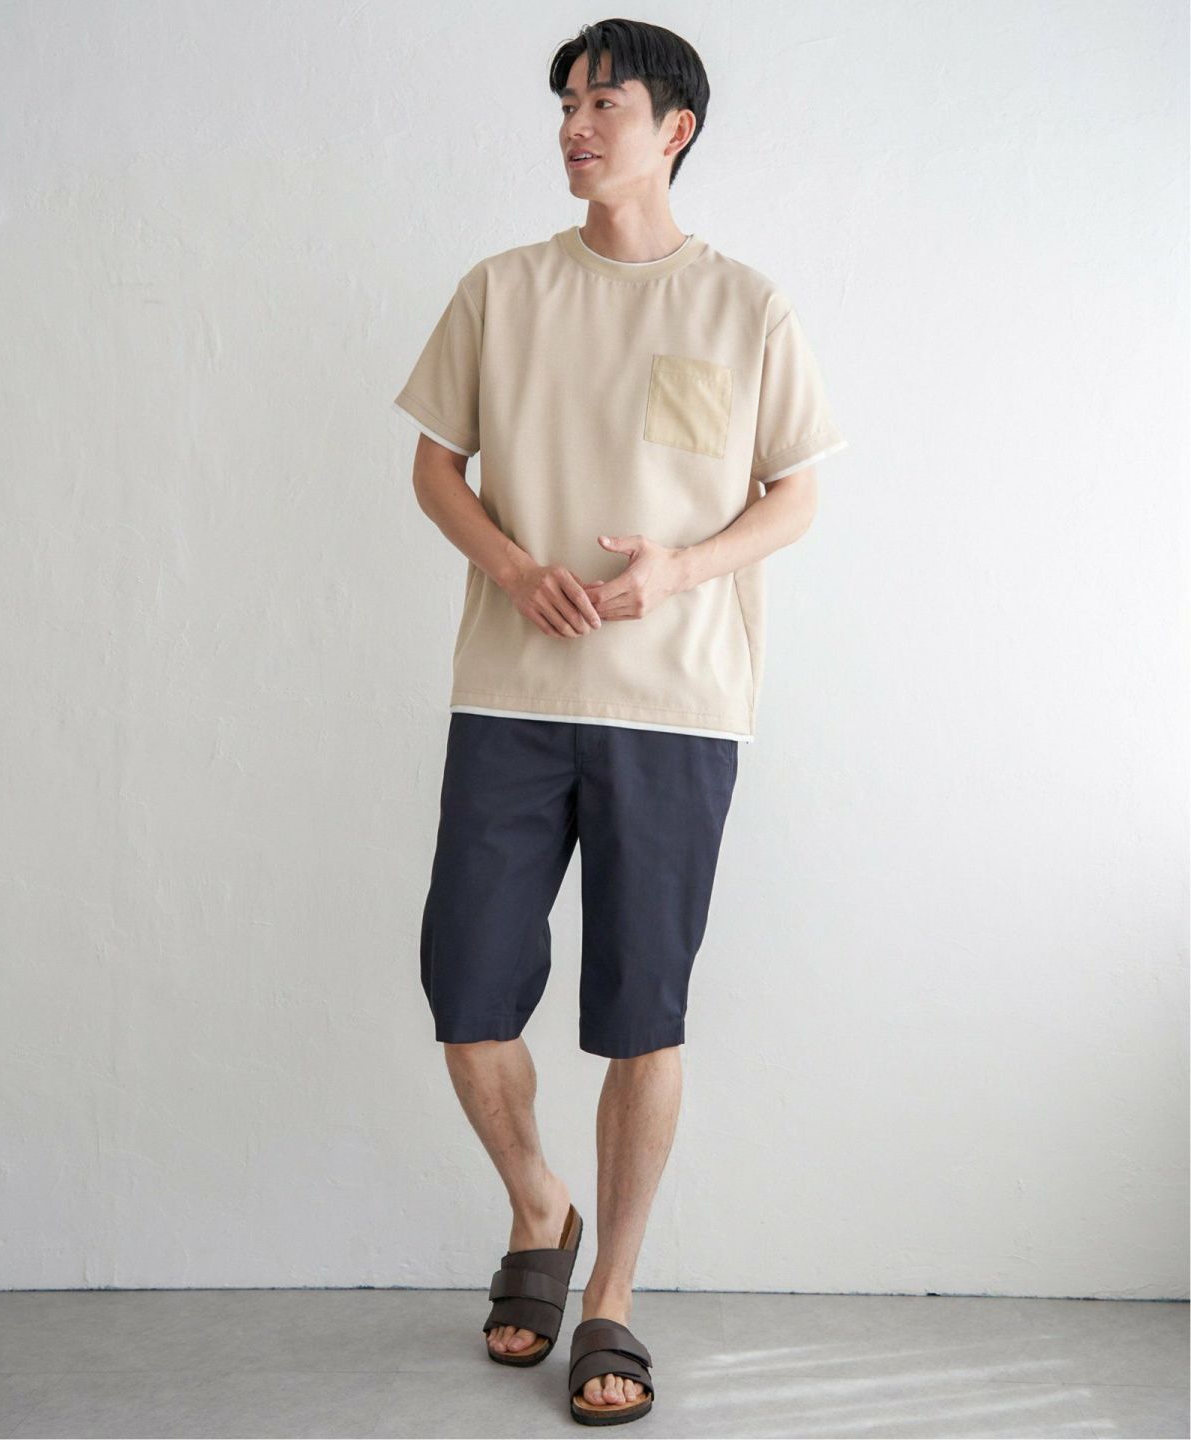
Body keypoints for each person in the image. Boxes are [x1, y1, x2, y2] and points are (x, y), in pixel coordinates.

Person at [393, 17, 848, 1426]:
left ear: (675, 130)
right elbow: (434, 464)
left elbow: (796, 494)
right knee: (467, 990)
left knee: (644, 1012)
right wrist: (510, 564)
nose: (576, 127)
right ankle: (541, 1204)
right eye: (566, 106)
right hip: (511, 695)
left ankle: (611, 1296)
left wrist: (680, 571)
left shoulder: (745, 307)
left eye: (606, 104)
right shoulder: (502, 289)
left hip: (678, 708)